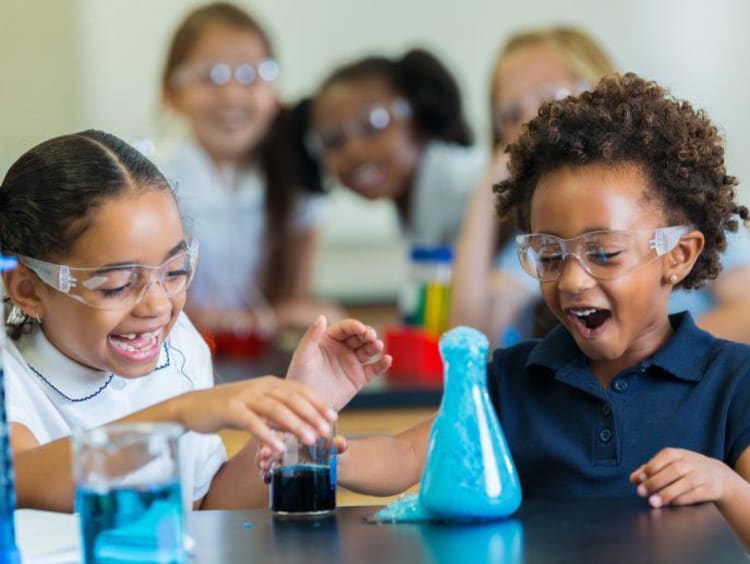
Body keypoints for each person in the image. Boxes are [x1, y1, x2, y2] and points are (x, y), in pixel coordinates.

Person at [269, 74, 750, 547]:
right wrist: (321, 457)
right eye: (549, 255)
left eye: (604, 253)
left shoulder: (733, 382)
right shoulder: (514, 379)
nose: (573, 280)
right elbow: (409, 453)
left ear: (679, 256)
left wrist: (727, 488)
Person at [0, 130, 391, 512]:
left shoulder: (180, 348)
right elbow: (20, 480)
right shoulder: (11, 373)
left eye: (174, 271)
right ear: (29, 290)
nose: (156, 305)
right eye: (117, 285)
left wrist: (298, 414)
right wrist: (181, 413)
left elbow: (206, 506)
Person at [450, 27, 750, 346]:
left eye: (548, 97)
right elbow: (470, 338)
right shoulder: (545, 239)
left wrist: (647, 359)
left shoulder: (673, 204)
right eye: (510, 114)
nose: (530, 120)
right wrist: (487, 190)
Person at [158, 2, 342, 337]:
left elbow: (298, 302)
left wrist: (268, 320)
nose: (230, 95)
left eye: (249, 76)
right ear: (171, 91)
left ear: (274, 90)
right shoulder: (150, 179)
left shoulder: (296, 176)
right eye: (211, 77)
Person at [306, 49, 485, 247]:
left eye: (373, 124)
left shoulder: (467, 183)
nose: (353, 151)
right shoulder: (414, 204)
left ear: (417, 112)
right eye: (332, 140)